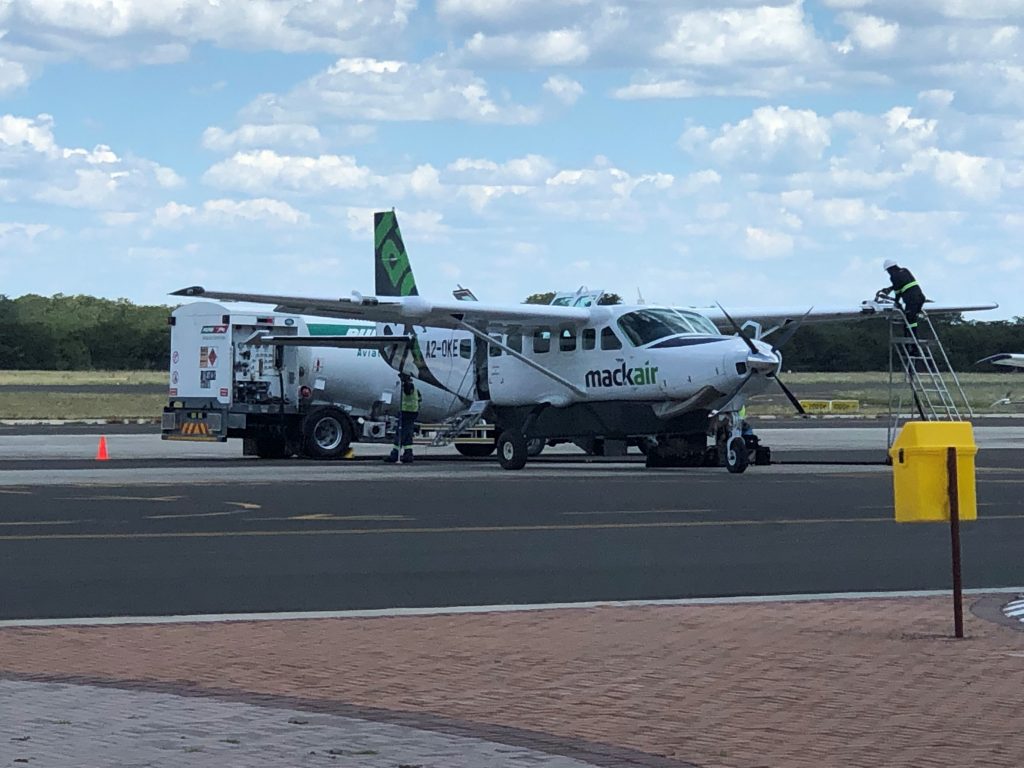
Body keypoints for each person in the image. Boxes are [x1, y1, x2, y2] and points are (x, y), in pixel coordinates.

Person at [880, 259, 926, 335]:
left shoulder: (893, 276)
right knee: (912, 319)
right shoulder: (905, 270)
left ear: (889, 269)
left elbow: (898, 291)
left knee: (909, 321)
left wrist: (896, 302)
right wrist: (891, 288)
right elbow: (903, 283)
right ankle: (913, 340)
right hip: (920, 297)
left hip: (912, 300)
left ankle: (911, 343)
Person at [384, 373, 422, 464]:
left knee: (401, 433)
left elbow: (408, 390)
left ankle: (396, 454)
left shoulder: (408, 386)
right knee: (407, 434)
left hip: (406, 412)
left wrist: (404, 381)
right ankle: (408, 454)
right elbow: (419, 399)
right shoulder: (415, 388)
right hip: (412, 412)